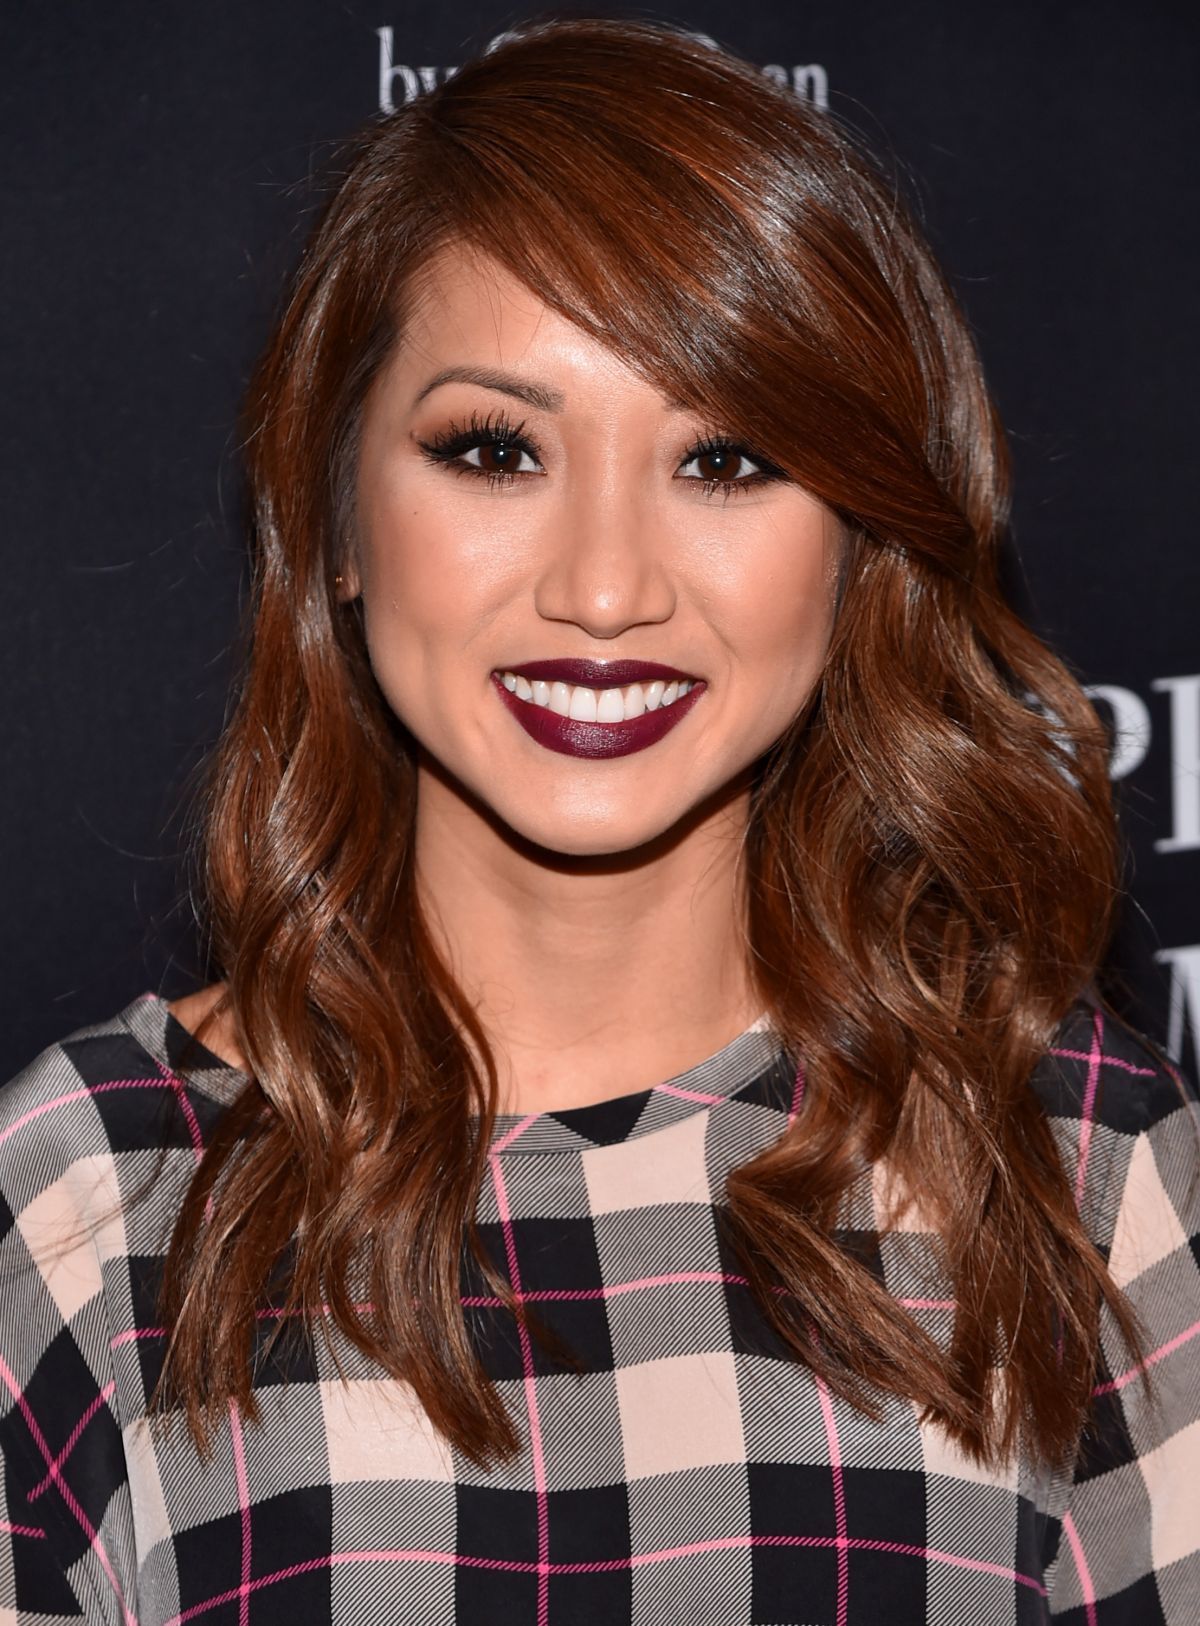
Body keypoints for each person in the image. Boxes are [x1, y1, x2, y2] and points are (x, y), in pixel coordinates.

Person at [1, 16, 1196, 1624]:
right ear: (336, 515)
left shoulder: (1076, 1171)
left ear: (858, 546)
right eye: (497, 450)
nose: (607, 587)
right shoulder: (83, 1210)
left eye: (726, 458)